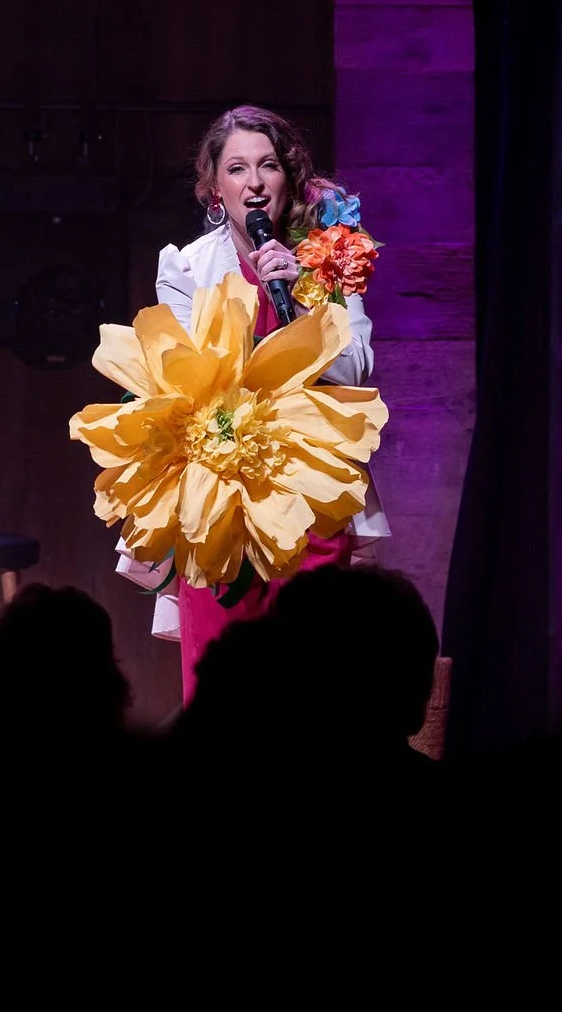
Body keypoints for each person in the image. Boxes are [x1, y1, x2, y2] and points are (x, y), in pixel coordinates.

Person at [136, 105, 387, 701]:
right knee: (220, 684)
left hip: (309, 492)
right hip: (220, 497)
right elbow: (183, 382)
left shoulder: (329, 259)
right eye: (237, 168)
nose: (254, 182)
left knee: (312, 681)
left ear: (287, 178)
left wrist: (298, 302)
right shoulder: (187, 267)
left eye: (268, 166)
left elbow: (354, 369)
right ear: (215, 189)